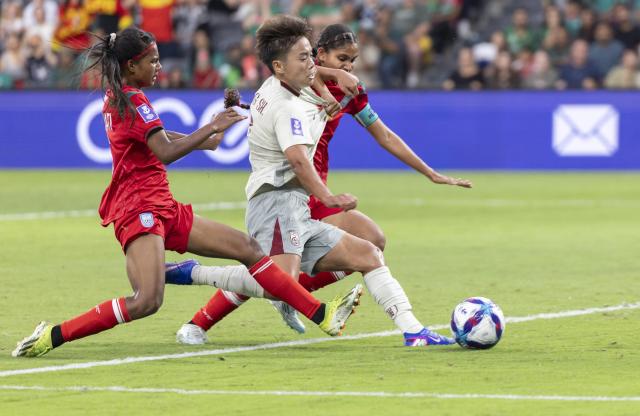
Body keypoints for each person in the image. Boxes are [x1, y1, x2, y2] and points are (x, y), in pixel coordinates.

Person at [11, 27, 362, 358]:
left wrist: (212, 135)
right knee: (146, 301)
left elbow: (163, 139)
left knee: (249, 249)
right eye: (152, 61)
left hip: (162, 205)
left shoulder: (123, 96)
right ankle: (53, 335)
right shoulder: (132, 100)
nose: (159, 67)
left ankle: (322, 315)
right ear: (131, 65)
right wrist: (211, 128)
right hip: (139, 209)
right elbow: (164, 150)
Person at [167, 20, 470, 347]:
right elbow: (298, 156)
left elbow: (382, 133)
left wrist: (429, 173)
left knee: (367, 250)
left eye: (352, 60)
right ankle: (202, 281)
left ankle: (413, 332)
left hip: (304, 194)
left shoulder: (333, 88)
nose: (348, 66)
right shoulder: (290, 101)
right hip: (290, 195)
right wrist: (328, 196)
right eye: (340, 59)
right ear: (316, 54)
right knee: (279, 279)